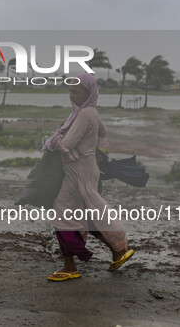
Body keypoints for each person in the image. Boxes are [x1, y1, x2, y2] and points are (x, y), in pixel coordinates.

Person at [42, 73, 134, 281]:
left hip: (78, 173)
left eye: (76, 91)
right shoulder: (89, 112)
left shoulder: (84, 115)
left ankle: (70, 266)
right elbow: (102, 130)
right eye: (70, 91)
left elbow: (68, 144)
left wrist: (51, 141)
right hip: (86, 169)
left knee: (61, 215)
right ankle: (118, 250)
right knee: (87, 216)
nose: (71, 95)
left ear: (88, 92)